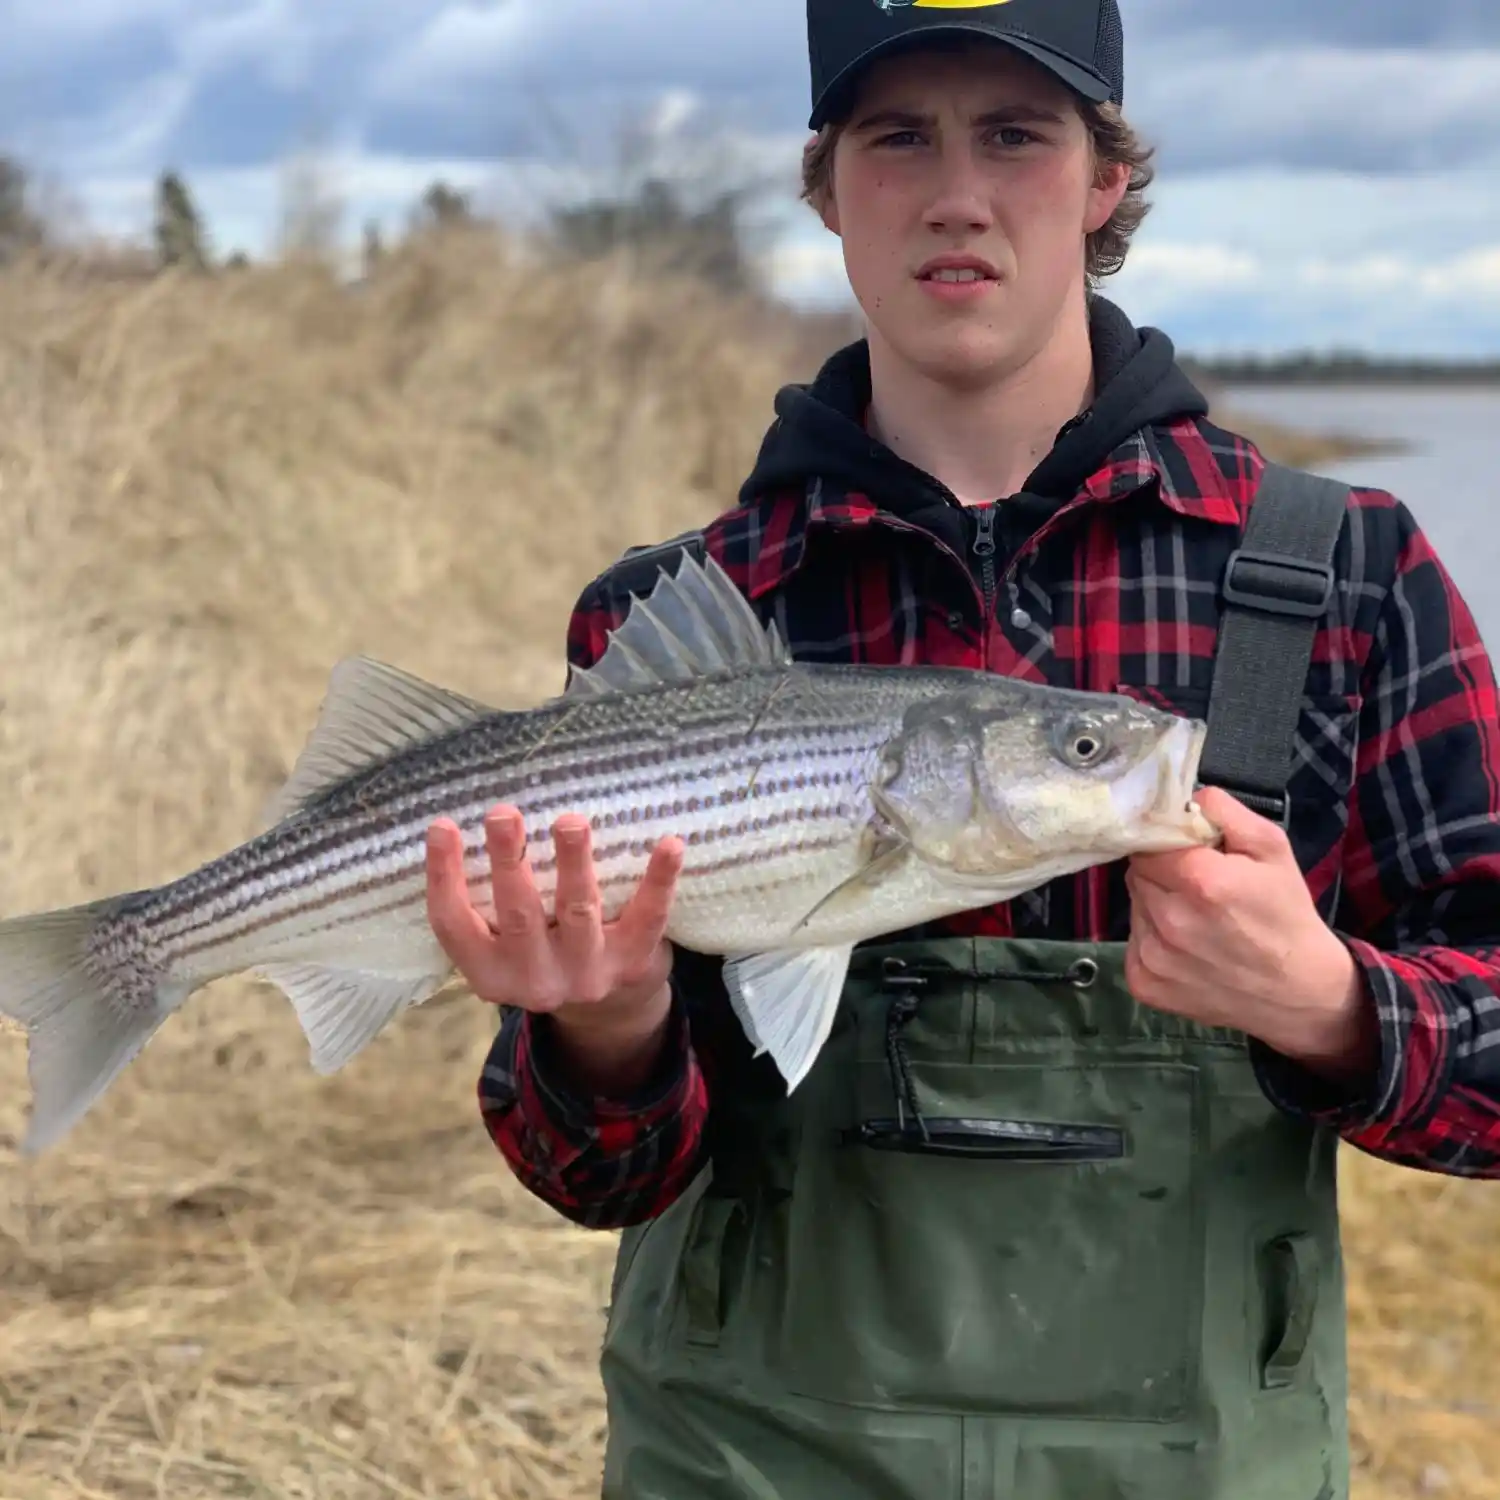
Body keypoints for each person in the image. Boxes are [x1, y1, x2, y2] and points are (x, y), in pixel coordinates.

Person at [423, 1, 1500, 1495]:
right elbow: (594, 1177)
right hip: (745, 1463)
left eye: (1016, 133)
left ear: (1106, 176)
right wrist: (599, 1033)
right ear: (827, 186)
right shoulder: (673, 616)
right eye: (897, 137)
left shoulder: (1348, 578)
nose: (957, 194)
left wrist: (1333, 1008)